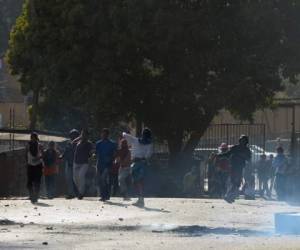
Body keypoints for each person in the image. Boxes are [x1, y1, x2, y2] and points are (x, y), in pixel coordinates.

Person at [123, 128, 153, 207]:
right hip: (141, 164)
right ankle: (140, 199)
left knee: (138, 181)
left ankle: (141, 199)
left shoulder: (135, 140)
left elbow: (125, 135)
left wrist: (124, 133)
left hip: (138, 164)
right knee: (138, 181)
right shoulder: (149, 144)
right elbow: (148, 156)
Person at [221, 135, 251, 203]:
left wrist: (242, 155)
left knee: (237, 183)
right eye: (241, 140)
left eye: (244, 141)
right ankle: (228, 196)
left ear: (246, 142)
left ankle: (230, 196)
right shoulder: (235, 147)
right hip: (233, 167)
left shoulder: (246, 149)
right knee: (234, 182)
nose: (242, 142)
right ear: (239, 141)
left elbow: (248, 158)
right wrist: (220, 155)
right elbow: (228, 154)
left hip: (240, 168)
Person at [96, 128, 117, 202]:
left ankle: (104, 196)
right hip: (99, 164)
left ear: (108, 135)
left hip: (108, 165)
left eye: (105, 134)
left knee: (103, 179)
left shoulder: (112, 143)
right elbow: (96, 153)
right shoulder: (98, 143)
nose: (103, 135)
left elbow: (114, 154)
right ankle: (105, 195)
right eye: (102, 134)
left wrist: (112, 161)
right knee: (101, 180)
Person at [73, 129, 93, 200]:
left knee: (81, 176)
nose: (83, 135)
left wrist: (91, 160)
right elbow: (73, 142)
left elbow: (91, 154)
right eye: (82, 134)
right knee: (75, 178)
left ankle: (81, 193)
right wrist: (79, 137)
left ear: (87, 136)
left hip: (84, 163)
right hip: (76, 162)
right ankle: (80, 191)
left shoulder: (89, 143)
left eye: (84, 134)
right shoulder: (78, 142)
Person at [61, 129, 80, 199]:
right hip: (68, 163)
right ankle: (71, 194)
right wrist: (62, 156)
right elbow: (66, 151)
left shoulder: (79, 143)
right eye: (71, 135)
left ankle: (78, 193)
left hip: (76, 163)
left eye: (74, 135)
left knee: (77, 179)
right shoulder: (69, 143)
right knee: (68, 179)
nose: (72, 136)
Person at [26, 132, 43, 203]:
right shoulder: (27, 145)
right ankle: (32, 195)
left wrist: (38, 158)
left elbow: (43, 154)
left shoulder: (40, 145)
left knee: (37, 182)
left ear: (36, 138)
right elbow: (25, 154)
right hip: (30, 165)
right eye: (32, 138)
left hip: (38, 165)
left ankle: (35, 196)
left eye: (34, 138)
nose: (33, 139)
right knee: (29, 182)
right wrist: (26, 163)